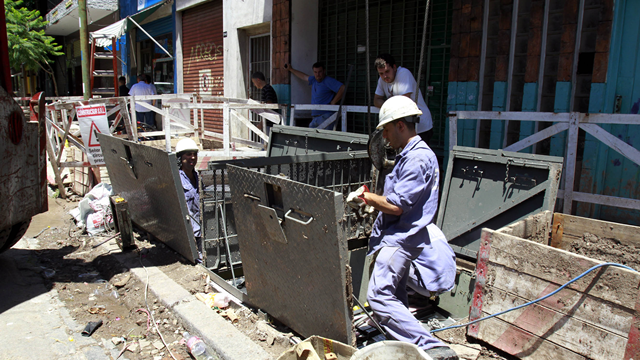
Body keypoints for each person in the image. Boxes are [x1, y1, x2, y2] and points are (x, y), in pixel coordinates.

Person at [347, 96, 458, 360]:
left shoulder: (418, 159)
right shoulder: (407, 156)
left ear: (400, 126)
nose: (384, 137)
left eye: (386, 129)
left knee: (379, 296)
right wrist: (376, 204)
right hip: (396, 235)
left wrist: (366, 197)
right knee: (396, 299)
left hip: (401, 239)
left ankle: (431, 347)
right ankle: (406, 350)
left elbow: (397, 206)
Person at [374, 53, 434, 145]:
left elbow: (403, 103)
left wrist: (388, 105)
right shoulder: (382, 80)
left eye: (387, 71)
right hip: (404, 128)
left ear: (394, 67)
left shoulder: (403, 73)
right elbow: (376, 100)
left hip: (420, 125)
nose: (384, 76)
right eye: (381, 73)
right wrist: (390, 105)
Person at [285, 62, 345, 129]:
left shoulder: (328, 80)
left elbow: (342, 88)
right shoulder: (314, 80)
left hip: (326, 116)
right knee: (311, 138)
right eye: (315, 72)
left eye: (320, 72)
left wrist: (333, 102)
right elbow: (303, 76)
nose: (318, 74)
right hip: (315, 117)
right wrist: (291, 69)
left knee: (324, 138)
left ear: (324, 71)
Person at [176, 138, 202, 263]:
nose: (193, 158)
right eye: (188, 154)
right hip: (189, 234)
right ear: (181, 157)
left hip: (200, 231)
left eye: (195, 154)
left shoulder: (197, 177)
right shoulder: (177, 179)